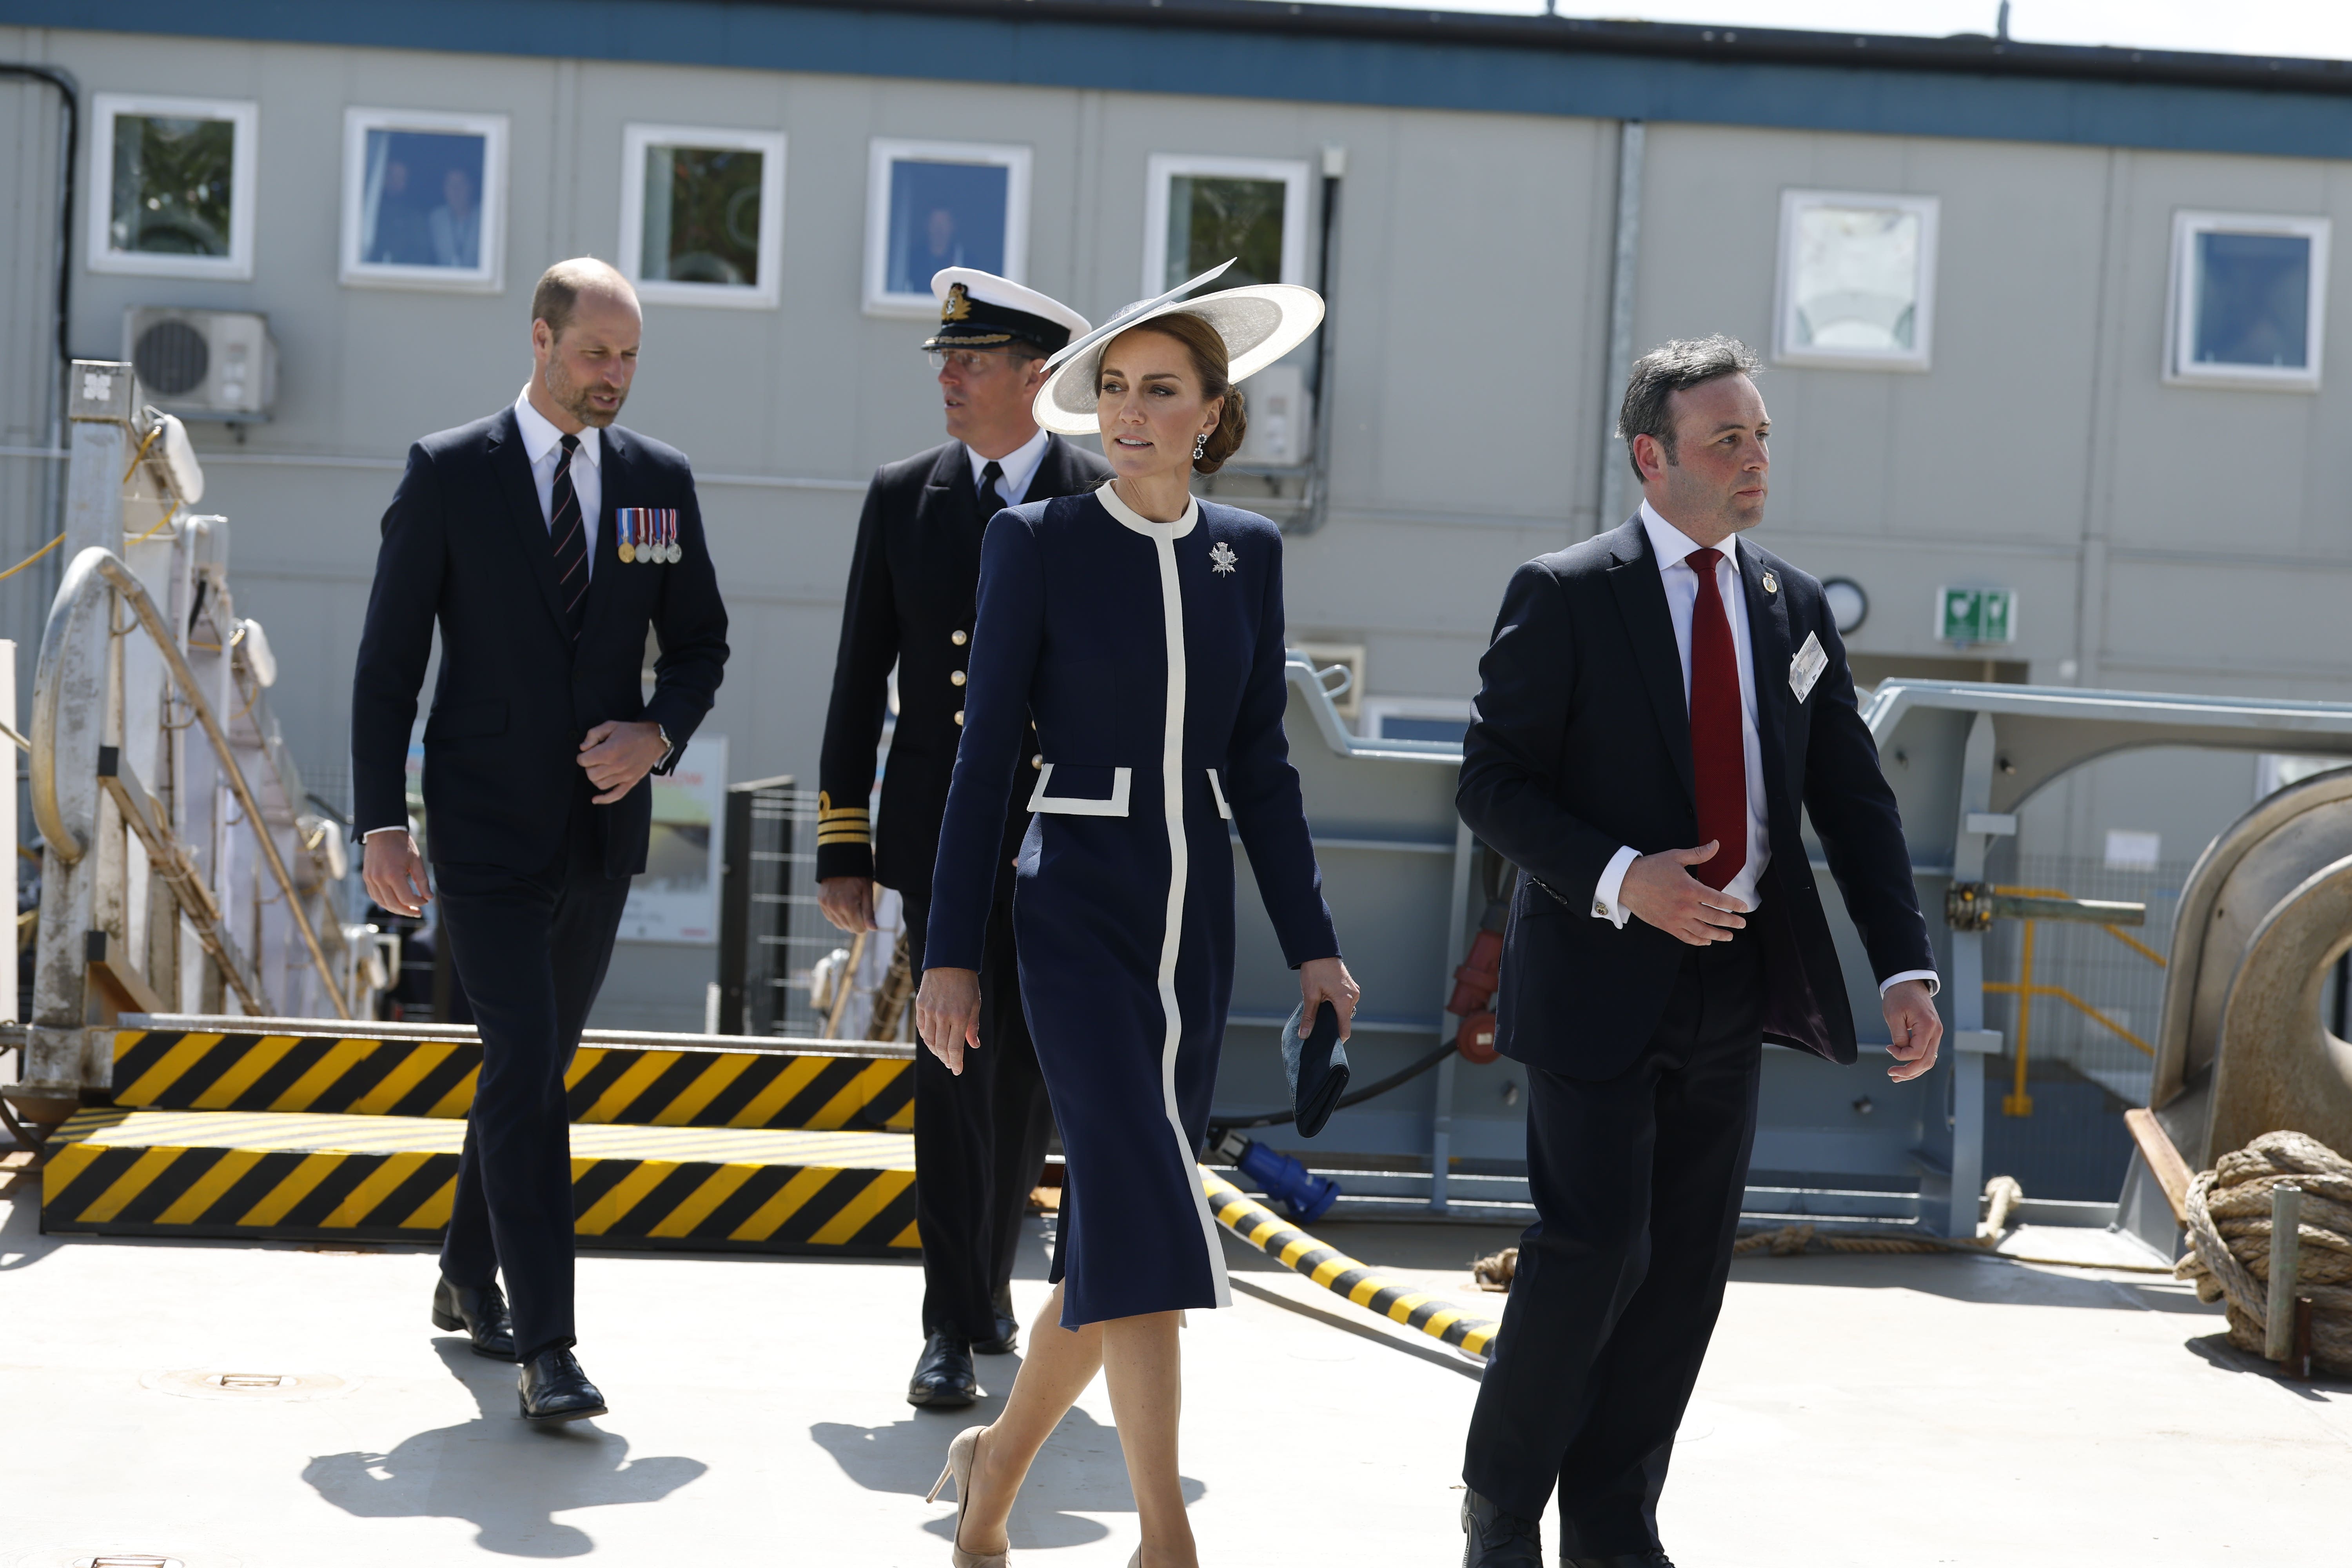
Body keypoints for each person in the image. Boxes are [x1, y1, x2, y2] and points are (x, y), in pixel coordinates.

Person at [1453, 336, 1941, 1568]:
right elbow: (1492, 785)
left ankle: (1615, 1521)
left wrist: (1905, 966)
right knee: (1594, 1246)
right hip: (1602, 974)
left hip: (1736, 978)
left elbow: (1854, 798)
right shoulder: (1564, 593)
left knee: (1685, 1273)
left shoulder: (1792, 604)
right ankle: (1503, 1509)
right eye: (1728, 439)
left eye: (1762, 434)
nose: (1755, 457)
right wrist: (1627, 879)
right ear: (1652, 457)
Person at [914, 272, 1358, 1568]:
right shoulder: (1037, 543)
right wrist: (948, 954)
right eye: (1113, 387)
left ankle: (994, 1470)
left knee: (1117, 1226)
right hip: (1075, 908)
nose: (1130, 410)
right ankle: (1167, 1541)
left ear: (1216, 414)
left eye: (1162, 390)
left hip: (1196, 916)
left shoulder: (1247, 553)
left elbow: (1262, 766)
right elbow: (984, 757)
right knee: (1149, 1206)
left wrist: (1314, 943)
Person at [351, 257, 730, 1424]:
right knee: (524, 1063)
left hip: (604, 834)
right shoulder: (449, 472)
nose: (612, 377)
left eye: (629, 358)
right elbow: (388, 664)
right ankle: (548, 1347)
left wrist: (657, 736)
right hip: (480, 830)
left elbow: (703, 644)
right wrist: (379, 822)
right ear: (540, 341)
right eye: (594, 354)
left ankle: (467, 1274)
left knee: (529, 1068)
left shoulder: (658, 484)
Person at [817, 269, 1113, 1409]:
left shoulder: (1102, 495)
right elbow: (859, 675)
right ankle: (948, 1320)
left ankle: (992, 1283)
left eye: (971, 361)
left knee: (1032, 1082)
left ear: (1035, 378)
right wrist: (846, 845)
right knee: (949, 1074)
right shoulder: (907, 494)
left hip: (1067, 838)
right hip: (943, 836)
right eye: (947, 360)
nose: (947, 377)